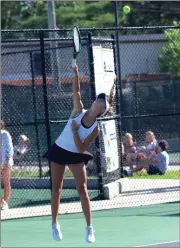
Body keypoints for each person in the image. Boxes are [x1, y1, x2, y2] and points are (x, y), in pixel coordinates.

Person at [43, 57, 114, 243]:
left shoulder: (95, 128)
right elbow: (76, 90)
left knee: (82, 189)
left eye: (102, 101)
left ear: (101, 111)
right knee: (56, 189)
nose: (99, 100)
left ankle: (90, 228)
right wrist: (75, 70)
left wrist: (75, 132)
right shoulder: (78, 110)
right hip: (59, 149)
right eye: (99, 98)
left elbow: (82, 147)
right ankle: (54, 224)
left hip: (76, 153)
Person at [0, 120, 14, 210]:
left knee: (6, 182)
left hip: (5, 162)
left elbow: (10, 148)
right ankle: (2, 202)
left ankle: (5, 203)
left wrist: (7, 162)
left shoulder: (5, 134)